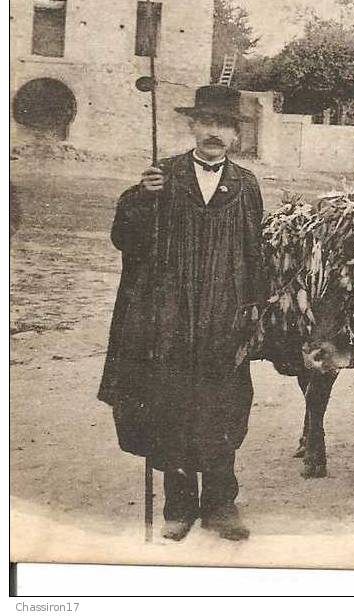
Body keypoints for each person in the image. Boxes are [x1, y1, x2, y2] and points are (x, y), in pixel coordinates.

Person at [98, 85, 265, 542]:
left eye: (224, 125)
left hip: (223, 320)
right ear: (192, 127)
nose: (214, 133)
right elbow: (125, 241)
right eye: (206, 123)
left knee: (222, 408)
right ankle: (178, 505)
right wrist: (139, 199)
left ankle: (221, 504)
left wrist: (253, 314)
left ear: (235, 134)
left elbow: (255, 255)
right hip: (169, 319)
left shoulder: (246, 185)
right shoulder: (161, 176)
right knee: (171, 407)